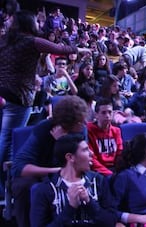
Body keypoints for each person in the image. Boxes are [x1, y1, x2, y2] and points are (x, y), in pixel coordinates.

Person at [0, 10, 90, 194]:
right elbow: (61, 49)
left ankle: (6, 182)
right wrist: (81, 49)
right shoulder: (30, 41)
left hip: (3, 93)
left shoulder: (5, 41)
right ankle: (6, 183)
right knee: (8, 140)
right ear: (30, 24)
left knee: (5, 138)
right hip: (18, 96)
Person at [11, 95, 89, 227]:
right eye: (80, 122)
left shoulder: (81, 131)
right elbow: (18, 168)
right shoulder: (43, 129)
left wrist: (63, 142)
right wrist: (55, 170)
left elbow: (84, 164)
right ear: (67, 124)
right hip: (44, 175)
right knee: (22, 186)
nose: (85, 124)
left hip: (70, 175)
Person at [30, 134, 118, 227]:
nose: (91, 153)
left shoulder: (98, 181)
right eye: (85, 150)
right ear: (70, 157)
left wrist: (89, 202)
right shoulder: (46, 189)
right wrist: (71, 207)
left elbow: (111, 221)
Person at [87, 98, 123, 176]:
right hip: (97, 171)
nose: (107, 116)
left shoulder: (116, 131)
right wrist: (110, 174)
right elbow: (92, 159)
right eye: (103, 113)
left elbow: (120, 153)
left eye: (110, 112)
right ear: (96, 115)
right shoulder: (89, 130)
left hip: (114, 169)